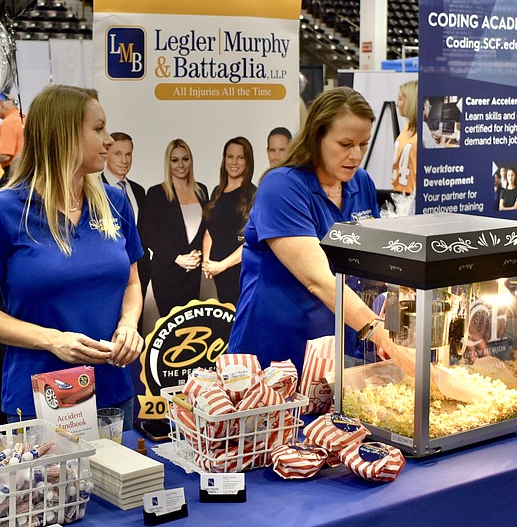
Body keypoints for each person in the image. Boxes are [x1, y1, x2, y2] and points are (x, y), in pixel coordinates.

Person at [0, 85, 143, 429]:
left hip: (114, 395)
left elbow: (132, 282)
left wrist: (129, 326)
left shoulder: (114, 203)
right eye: (98, 128)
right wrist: (52, 339)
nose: (109, 140)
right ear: (64, 134)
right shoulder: (1, 211)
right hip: (41, 400)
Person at [227, 86, 382, 373]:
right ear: (317, 137)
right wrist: (385, 337)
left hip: (335, 352)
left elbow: (373, 264)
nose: (356, 155)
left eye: (363, 144)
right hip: (274, 353)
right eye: (345, 144)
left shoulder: (362, 183)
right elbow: (319, 281)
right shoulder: (282, 186)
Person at [140, 139, 208, 318]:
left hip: (193, 273)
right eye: (175, 160)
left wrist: (199, 255)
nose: (181, 165)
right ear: (168, 163)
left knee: (191, 329)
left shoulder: (202, 191)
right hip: (167, 274)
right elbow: (148, 235)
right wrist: (177, 258)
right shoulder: (156, 193)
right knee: (172, 331)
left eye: (185, 159)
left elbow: (206, 230)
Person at [202, 136, 257, 305]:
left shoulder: (253, 195)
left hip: (242, 274)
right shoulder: (217, 192)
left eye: (240, 157)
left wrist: (222, 265)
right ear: (224, 159)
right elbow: (210, 230)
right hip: (220, 276)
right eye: (230, 156)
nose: (234, 162)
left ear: (248, 161)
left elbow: (251, 241)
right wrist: (207, 261)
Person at [101, 132, 148, 297]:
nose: (124, 160)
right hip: (107, 272)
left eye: (128, 154)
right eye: (118, 154)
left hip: (139, 270)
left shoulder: (139, 191)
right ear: (106, 154)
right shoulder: (94, 189)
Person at [391, 80, 417, 195]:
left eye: (400, 99)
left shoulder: (424, 133)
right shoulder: (408, 126)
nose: (397, 103)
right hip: (399, 193)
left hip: (412, 196)